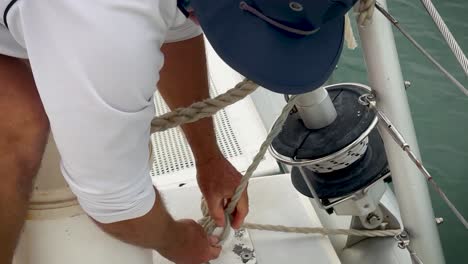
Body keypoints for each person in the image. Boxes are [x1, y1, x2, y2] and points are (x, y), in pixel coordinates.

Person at [0, 0, 357, 263]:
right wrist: (176, 242)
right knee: (16, 130)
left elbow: (176, 26)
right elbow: (116, 206)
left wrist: (210, 158)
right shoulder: (102, 24)